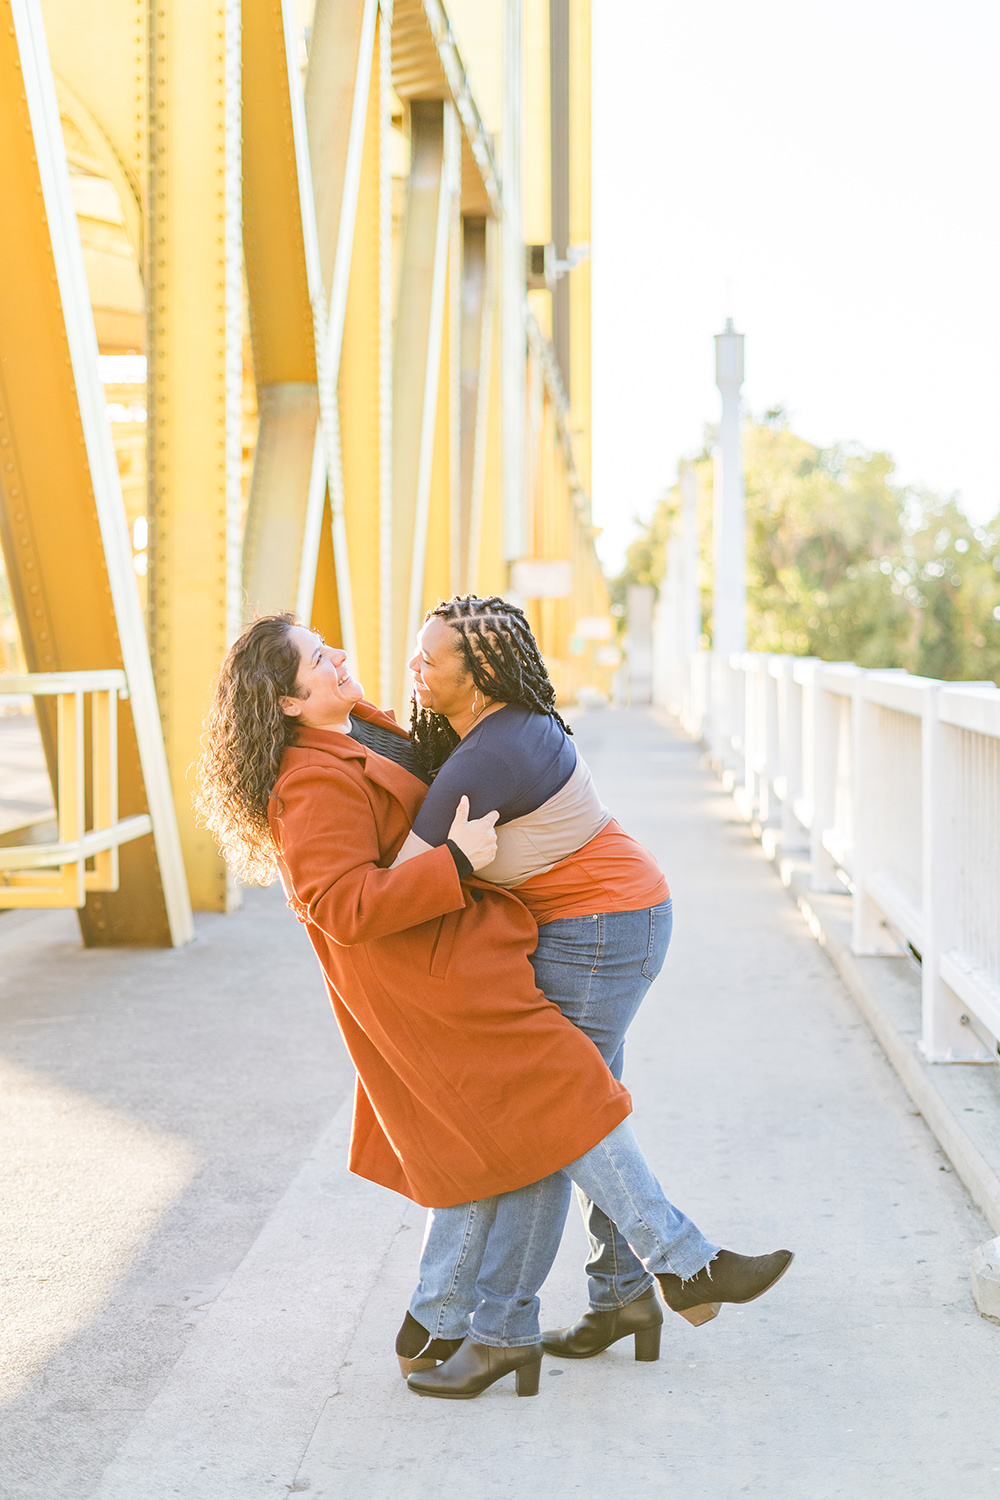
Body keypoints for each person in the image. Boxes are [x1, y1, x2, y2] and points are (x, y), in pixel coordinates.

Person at [196, 613, 793, 1401]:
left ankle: (450, 1317)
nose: (341, 655)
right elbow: (339, 905)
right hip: (433, 982)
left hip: (466, 959)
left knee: (532, 1124)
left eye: (330, 645)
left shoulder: (363, 731)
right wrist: (452, 864)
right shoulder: (310, 782)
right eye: (318, 658)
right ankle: (675, 1268)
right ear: (287, 703)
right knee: (560, 1108)